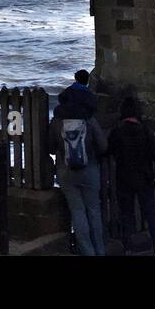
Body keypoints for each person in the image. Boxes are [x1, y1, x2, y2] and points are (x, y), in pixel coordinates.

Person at [108, 95, 155, 254]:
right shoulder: (145, 132)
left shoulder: (117, 132)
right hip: (145, 178)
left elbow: (107, 151)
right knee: (152, 216)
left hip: (124, 180)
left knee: (127, 216)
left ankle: (129, 249)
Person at [48, 86, 107, 256]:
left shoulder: (57, 120)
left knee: (77, 212)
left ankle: (87, 252)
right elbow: (103, 146)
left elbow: (51, 147)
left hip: (66, 172)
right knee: (94, 211)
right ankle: (99, 251)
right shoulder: (89, 119)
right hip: (90, 170)